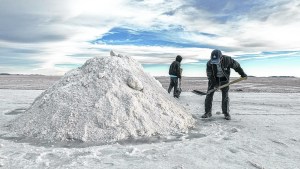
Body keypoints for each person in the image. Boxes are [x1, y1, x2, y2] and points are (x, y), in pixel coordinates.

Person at [201, 49, 247, 120]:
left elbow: (237, 66)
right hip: (213, 79)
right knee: (209, 95)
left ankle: (226, 113)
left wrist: (242, 74)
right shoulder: (209, 63)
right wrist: (215, 84)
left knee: (225, 96)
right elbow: (209, 75)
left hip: (224, 80)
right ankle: (207, 112)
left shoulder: (228, 60)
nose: (215, 63)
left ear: (221, 58)